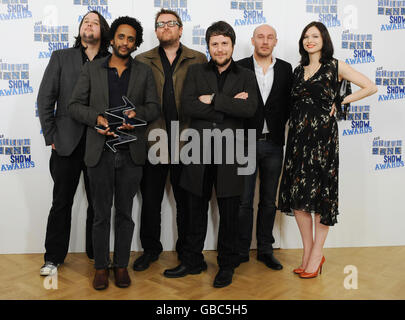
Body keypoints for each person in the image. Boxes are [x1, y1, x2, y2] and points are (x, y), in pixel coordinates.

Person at [278, 21, 377, 278]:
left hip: (323, 141)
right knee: (299, 200)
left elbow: (370, 86)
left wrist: (341, 99)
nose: (309, 40)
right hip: (298, 141)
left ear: (324, 39)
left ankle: (316, 254)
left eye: (315, 36)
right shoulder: (298, 71)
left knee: (321, 199)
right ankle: (309, 253)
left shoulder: (335, 66)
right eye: (306, 36)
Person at [163, 21, 257, 288]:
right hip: (198, 149)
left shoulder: (246, 74)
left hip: (231, 150)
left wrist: (214, 99)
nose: (219, 48)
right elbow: (189, 107)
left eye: (224, 43)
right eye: (214, 44)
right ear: (208, 46)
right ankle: (191, 261)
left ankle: (226, 266)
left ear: (232, 45)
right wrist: (229, 105)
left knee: (229, 212)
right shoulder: (195, 71)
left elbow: (249, 109)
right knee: (194, 209)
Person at [68, 16, 160, 290]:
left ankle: (120, 266)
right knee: (100, 214)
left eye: (131, 39)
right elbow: (74, 105)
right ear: (112, 39)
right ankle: (100, 267)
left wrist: (137, 114)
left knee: (125, 213)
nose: (125, 42)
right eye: (121, 36)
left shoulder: (143, 72)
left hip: (131, 153)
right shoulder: (93, 70)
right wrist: (97, 119)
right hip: (100, 152)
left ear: (135, 43)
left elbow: (153, 107)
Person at [133, 9, 207, 271]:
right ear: (155, 30)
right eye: (160, 24)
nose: (166, 27)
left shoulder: (198, 58)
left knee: (186, 203)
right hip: (153, 141)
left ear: (181, 28)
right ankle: (150, 250)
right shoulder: (141, 60)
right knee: (151, 201)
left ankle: (187, 251)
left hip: (186, 142)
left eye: (171, 23)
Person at [37, 11, 110, 276]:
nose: (89, 25)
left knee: (99, 204)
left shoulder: (112, 61)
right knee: (61, 203)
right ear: (80, 30)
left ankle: (96, 254)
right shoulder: (61, 57)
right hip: (65, 143)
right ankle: (53, 258)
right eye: (85, 22)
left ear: (103, 31)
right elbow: (45, 99)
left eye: (95, 22)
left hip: (99, 143)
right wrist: (52, 137)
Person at [237, 24, 292, 270]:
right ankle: (240, 249)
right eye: (260, 37)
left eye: (270, 37)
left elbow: (290, 105)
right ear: (253, 40)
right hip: (245, 142)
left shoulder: (285, 69)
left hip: (274, 144)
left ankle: (265, 249)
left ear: (276, 41)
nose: (265, 41)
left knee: (269, 200)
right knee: (243, 201)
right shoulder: (239, 67)